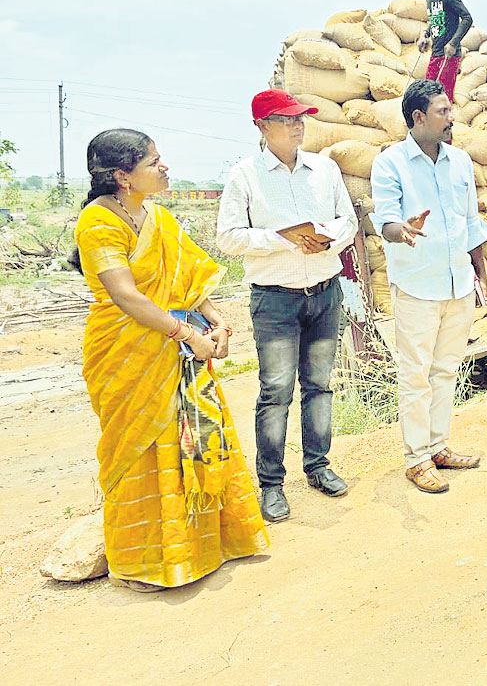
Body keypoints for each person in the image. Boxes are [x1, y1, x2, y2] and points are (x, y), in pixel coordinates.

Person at [71, 129, 268, 591]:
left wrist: (216, 323)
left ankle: (205, 547)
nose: (164, 167)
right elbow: (124, 295)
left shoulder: (158, 218)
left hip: (182, 349)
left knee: (196, 440)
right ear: (122, 176)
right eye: (153, 161)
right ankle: (145, 564)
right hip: (128, 353)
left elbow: (192, 284)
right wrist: (186, 334)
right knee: (142, 452)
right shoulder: (97, 222)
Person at [216, 89, 358, 523]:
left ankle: (318, 467)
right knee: (276, 392)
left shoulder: (325, 169)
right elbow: (228, 238)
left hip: (324, 290)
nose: (298, 125)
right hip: (275, 299)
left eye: (301, 118)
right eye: (287, 119)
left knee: (320, 384)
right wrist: (282, 237)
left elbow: (348, 220)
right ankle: (272, 485)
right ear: (262, 127)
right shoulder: (246, 176)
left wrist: (329, 237)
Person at [370, 79, 487, 494]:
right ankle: (416, 459)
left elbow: (470, 220)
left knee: (446, 371)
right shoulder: (390, 164)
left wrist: (480, 268)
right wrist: (399, 230)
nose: (451, 118)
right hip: (417, 285)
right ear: (418, 117)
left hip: (458, 282)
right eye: (443, 111)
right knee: (416, 376)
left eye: (450, 109)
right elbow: (385, 219)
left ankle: (438, 447)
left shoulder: (459, 161)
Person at [412, 0, 473, 102]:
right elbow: (434, 20)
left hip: (450, 56)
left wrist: (453, 43)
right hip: (435, 54)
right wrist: (425, 35)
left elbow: (467, 18)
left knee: (442, 98)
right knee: (427, 96)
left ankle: (446, 125)